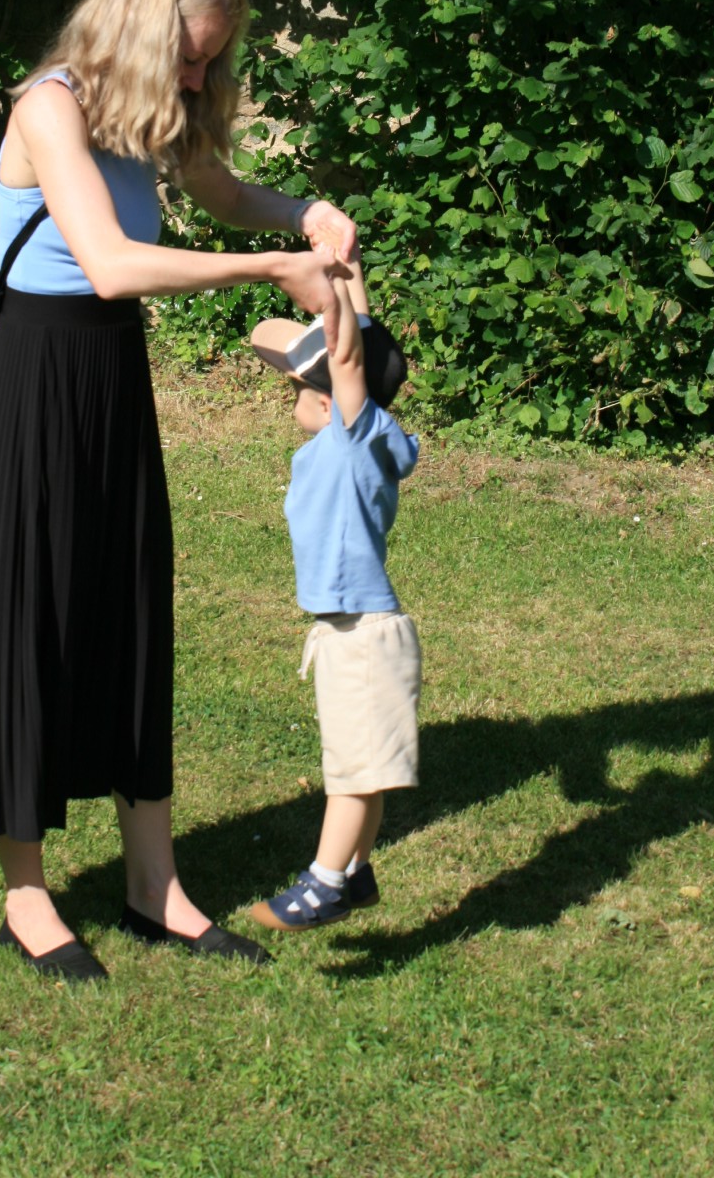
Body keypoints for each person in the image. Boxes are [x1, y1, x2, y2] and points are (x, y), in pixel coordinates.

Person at [0, 0, 356, 981]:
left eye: (211, 60)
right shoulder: (49, 107)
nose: (199, 75)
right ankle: (27, 897)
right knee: (30, 618)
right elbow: (107, 263)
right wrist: (272, 268)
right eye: (189, 56)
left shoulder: (150, 111)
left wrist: (302, 214)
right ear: (140, 33)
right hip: (37, 381)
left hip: (112, 378)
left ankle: (155, 887)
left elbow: (223, 192)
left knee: (130, 611)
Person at [247, 263, 420, 931]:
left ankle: (323, 885)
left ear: (330, 401)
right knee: (360, 766)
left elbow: (349, 356)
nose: (287, 394)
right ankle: (356, 871)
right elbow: (358, 349)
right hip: (352, 630)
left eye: (296, 386)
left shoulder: (352, 437)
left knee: (352, 775)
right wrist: (345, 268)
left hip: (362, 636)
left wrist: (325, 293)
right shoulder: (353, 438)